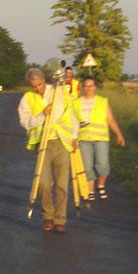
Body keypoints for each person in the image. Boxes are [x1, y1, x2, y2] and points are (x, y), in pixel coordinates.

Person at [18, 68, 79, 234]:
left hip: (62, 141)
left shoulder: (59, 92)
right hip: (42, 144)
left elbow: (71, 113)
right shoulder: (27, 98)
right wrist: (42, 115)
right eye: (34, 86)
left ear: (44, 80)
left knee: (61, 185)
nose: (38, 89)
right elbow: (25, 122)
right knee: (44, 183)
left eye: (39, 85)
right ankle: (48, 216)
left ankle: (60, 219)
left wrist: (74, 136)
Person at [73, 76, 125, 202]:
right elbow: (72, 122)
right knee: (87, 166)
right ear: (82, 87)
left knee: (102, 165)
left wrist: (118, 134)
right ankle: (90, 190)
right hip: (84, 138)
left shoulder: (103, 102)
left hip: (101, 138)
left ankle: (100, 185)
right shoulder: (76, 103)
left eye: (91, 85)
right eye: (86, 86)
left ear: (95, 87)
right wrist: (73, 138)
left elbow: (110, 119)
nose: (89, 88)